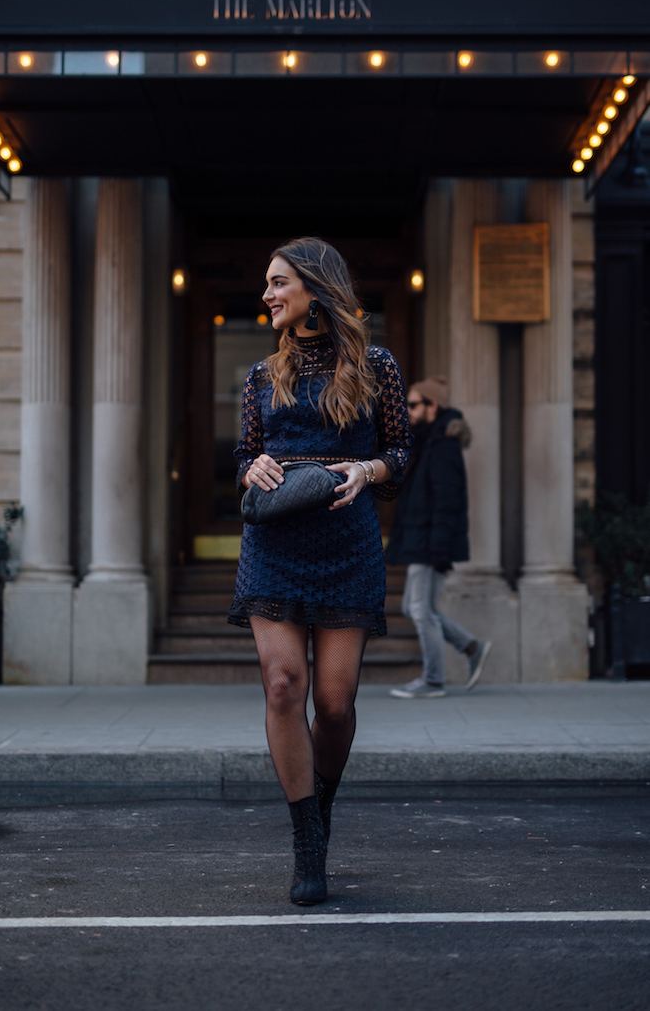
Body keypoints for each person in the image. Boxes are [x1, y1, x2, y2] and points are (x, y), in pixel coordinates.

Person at [228, 237, 410, 906]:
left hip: (347, 541)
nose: (269, 296)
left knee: (333, 705)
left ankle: (321, 807)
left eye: (279, 283)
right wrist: (253, 467)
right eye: (269, 285)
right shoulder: (258, 377)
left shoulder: (377, 366)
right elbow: (244, 456)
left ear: (314, 288)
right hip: (274, 543)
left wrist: (368, 467)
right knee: (284, 684)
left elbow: (400, 451)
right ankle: (308, 843)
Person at [385, 376, 492, 699]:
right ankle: (471, 646)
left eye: (414, 404)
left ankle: (433, 680)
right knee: (414, 607)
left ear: (433, 407)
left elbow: (448, 504)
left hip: (430, 545)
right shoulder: (429, 443)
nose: (408, 410)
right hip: (422, 541)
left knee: (420, 609)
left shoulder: (443, 447)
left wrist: (439, 550)